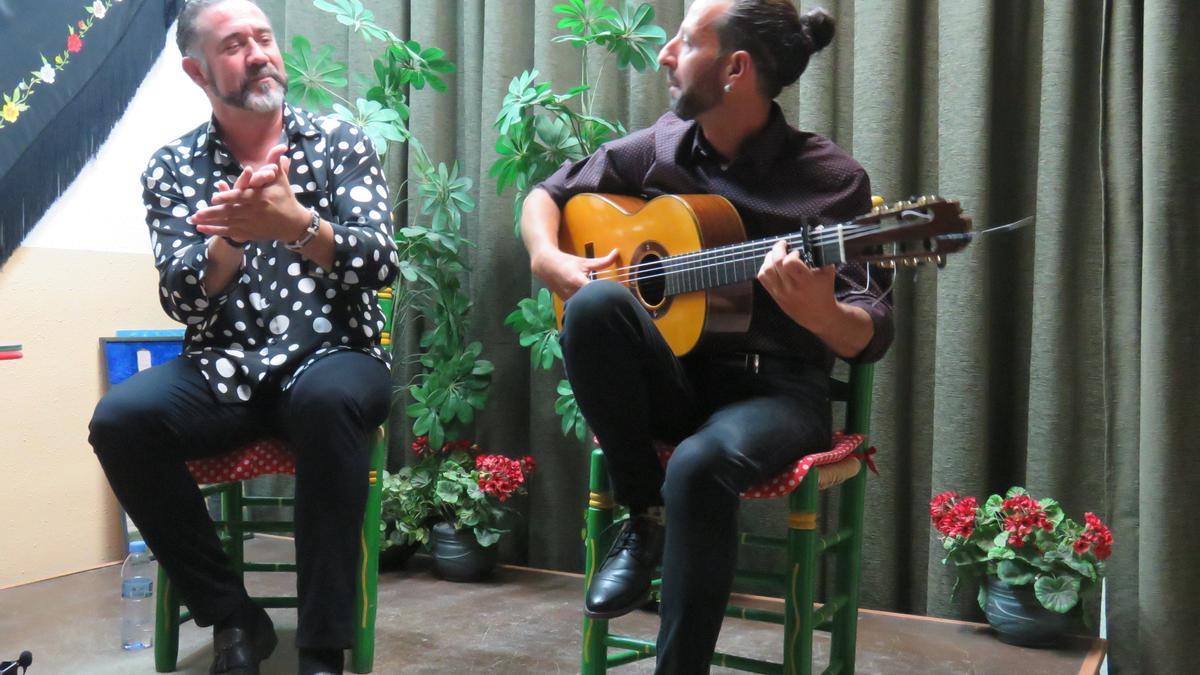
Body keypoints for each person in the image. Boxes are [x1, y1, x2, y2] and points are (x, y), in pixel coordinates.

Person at [520, 1, 894, 672]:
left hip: (775, 395)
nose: (665, 54)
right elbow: (547, 195)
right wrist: (549, 258)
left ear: (735, 69)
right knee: (593, 307)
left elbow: (871, 332)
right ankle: (644, 516)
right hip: (680, 381)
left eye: (685, 41)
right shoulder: (663, 145)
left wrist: (821, 313)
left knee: (697, 464)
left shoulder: (832, 181)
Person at [88, 1, 399, 673]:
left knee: (325, 401)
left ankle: (322, 649)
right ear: (196, 70)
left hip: (336, 354)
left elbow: (379, 263)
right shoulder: (171, 167)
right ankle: (233, 618)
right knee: (119, 420)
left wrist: (296, 223)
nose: (259, 52)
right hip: (226, 367)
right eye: (235, 45)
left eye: (264, 37)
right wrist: (228, 238)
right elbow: (180, 295)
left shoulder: (339, 142)